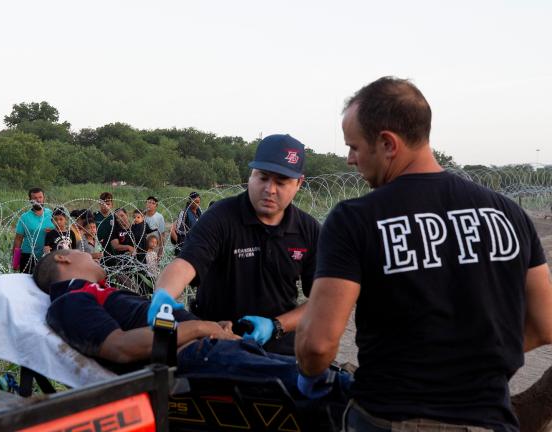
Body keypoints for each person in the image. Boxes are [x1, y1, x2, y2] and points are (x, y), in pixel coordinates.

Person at [295, 77, 552, 430]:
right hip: (491, 421)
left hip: (394, 418)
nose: (350, 159)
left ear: (388, 143)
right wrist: (471, 363)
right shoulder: (509, 214)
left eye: (354, 146)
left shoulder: (356, 218)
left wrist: (309, 377)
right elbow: (544, 323)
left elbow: (319, 344)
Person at [34, 249, 327, 396]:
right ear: (62, 258)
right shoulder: (68, 301)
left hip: (207, 349)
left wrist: (212, 326)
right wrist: (201, 328)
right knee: (324, 386)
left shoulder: (92, 293)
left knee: (320, 378)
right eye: (83, 251)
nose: (94, 254)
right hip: (195, 357)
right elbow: (121, 348)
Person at [150, 134, 320, 355]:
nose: (270, 189)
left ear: (299, 183)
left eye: (281, 181)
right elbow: (185, 264)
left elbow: (322, 301)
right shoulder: (220, 217)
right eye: (263, 177)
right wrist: (162, 296)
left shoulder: (308, 230)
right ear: (251, 175)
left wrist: (277, 325)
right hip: (215, 341)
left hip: (278, 347)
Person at [12, 187, 55, 274]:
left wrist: (53, 231)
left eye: (40, 197)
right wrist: (15, 261)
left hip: (48, 254)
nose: (38, 200)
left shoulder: (51, 214)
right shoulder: (25, 217)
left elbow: (61, 231)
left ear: (44, 198)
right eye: (35, 198)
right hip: (28, 255)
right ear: (30, 200)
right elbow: (18, 239)